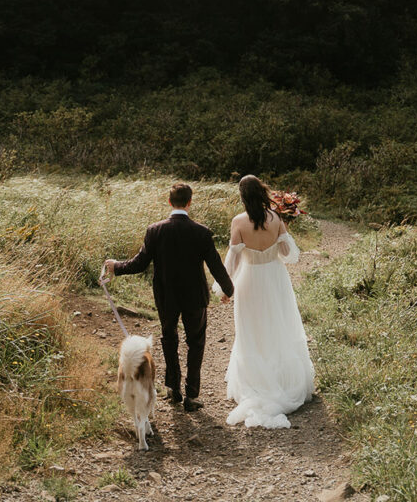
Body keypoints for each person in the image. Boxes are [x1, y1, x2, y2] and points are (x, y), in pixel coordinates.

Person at [104, 182, 234, 412]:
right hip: (195, 297)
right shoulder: (201, 232)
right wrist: (228, 289)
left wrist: (116, 266)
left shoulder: (155, 230)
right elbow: (216, 265)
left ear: (169, 202)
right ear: (190, 202)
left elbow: (139, 264)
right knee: (196, 343)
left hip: (166, 296)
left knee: (169, 339)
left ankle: (173, 388)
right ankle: (192, 395)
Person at [214, 174, 314, 429]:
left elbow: (233, 261)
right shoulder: (276, 218)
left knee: (251, 330)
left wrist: (225, 288)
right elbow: (287, 253)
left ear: (243, 197)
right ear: (263, 192)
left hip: (250, 280)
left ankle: (255, 381)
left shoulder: (238, 222)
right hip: (274, 277)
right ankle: (282, 379)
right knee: (279, 325)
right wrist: (283, 230)